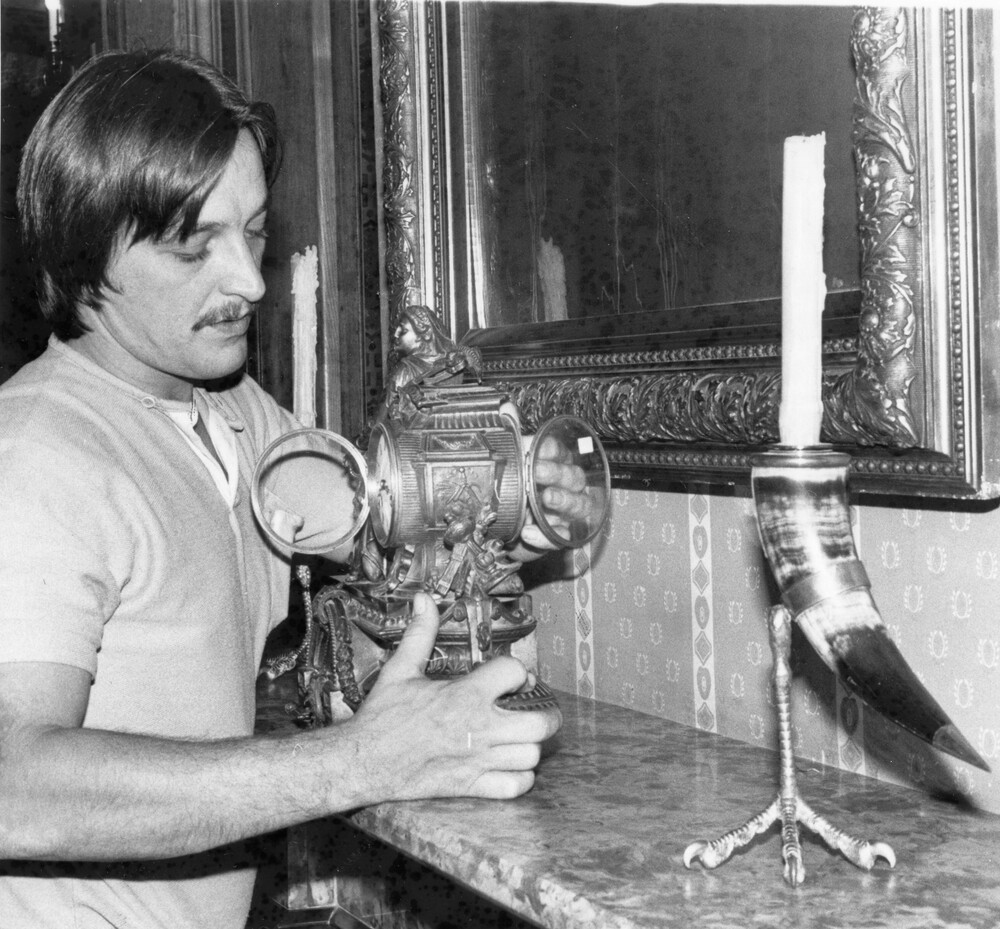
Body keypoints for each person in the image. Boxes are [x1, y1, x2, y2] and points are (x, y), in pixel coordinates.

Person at [0, 48, 563, 929]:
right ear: (84, 260)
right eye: (195, 247)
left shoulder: (231, 410)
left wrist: (515, 504)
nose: (249, 282)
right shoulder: (35, 455)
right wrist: (362, 761)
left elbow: (375, 529)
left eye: (254, 231)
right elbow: (12, 785)